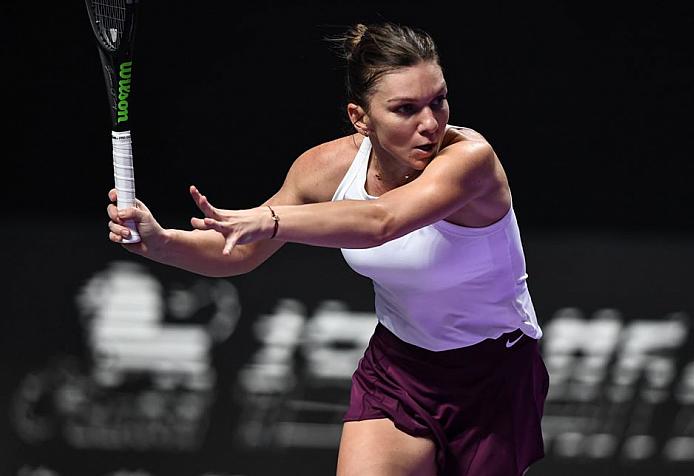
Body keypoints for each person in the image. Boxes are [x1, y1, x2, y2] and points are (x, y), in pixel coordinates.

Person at [107, 22, 548, 476]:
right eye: (405, 109)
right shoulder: (326, 169)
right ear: (361, 117)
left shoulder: (470, 160)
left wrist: (271, 219)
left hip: (493, 374)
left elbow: (381, 221)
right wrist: (162, 242)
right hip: (400, 369)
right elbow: (239, 251)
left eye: (438, 100)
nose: (430, 124)